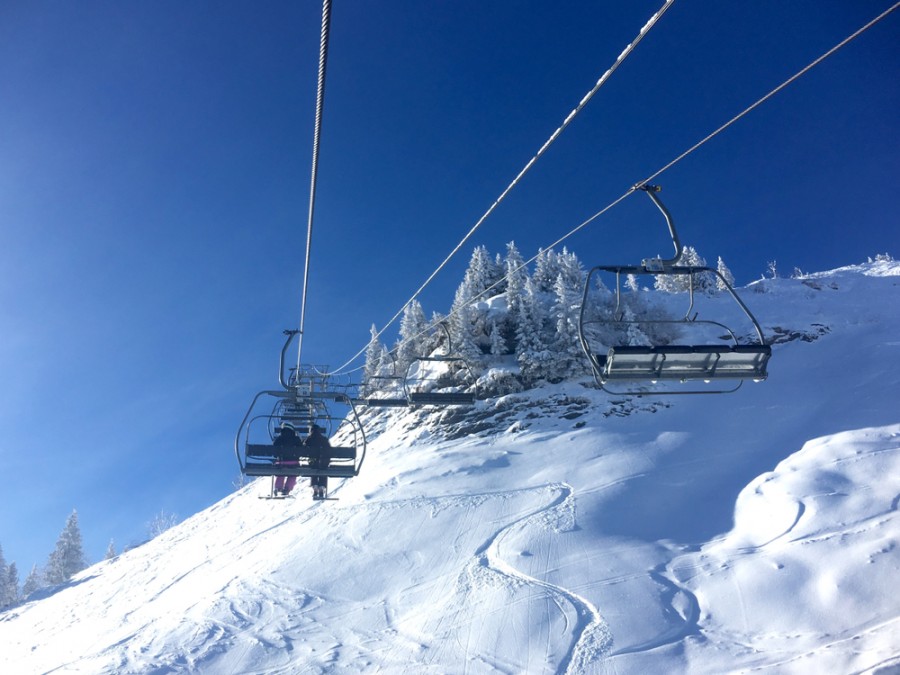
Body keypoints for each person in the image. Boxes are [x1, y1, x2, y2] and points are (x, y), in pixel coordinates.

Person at [272, 422, 301, 496]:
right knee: (293, 474)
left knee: (281, 473)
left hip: (281, 462)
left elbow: (274, 451)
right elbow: (301, 451)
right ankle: (287, 489)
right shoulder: (296, 439)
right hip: (293, 463)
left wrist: (277, 456)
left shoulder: (279, 439)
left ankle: (278, 487)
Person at [304, 424, 332, 499]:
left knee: (313, 467)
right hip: (323, 461)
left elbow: (304, 450)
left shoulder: (309, 439)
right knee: (323, 468)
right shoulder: (324, 439)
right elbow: (329, 450)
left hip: (313, 461)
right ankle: (322, 487)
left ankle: (315, 486)